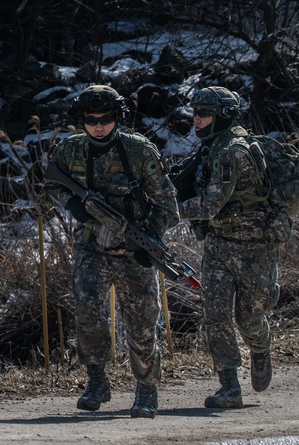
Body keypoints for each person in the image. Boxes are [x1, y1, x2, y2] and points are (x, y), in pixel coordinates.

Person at [47, 85, 179, 418]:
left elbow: (166, 204)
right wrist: (74, 204)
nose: (99, 126)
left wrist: (151, 243)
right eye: (91, 120)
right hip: (91, 244)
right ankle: (96, 380)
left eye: (106, 119)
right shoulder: (70, 150)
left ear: (117, 118)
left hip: (133, 249)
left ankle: (147, 389)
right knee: (88, 309)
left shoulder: (139, 151)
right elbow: (52, 184)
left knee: (142, 319)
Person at [173, 86, 281, 408]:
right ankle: (229, 386)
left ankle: (260, 347)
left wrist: (171, 214)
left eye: (205, 113)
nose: (197, 119)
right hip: (219, 245)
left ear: (223, 116)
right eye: (195, 113)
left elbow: (210, 204)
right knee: (215, 315)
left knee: (249, 317)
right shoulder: (209, 149)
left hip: (254, 249)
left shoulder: (232, 151)